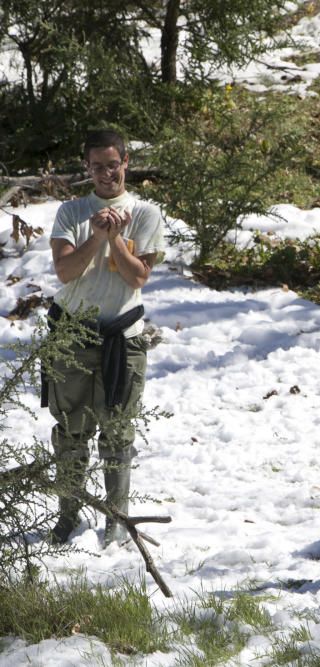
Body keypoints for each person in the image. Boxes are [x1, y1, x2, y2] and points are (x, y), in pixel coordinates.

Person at [46, 129, 166, 546]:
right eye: (97, 166)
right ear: (87, 168)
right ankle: (68, 513)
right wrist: (96, 235)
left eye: (112, 164)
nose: (105, 173)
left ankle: (117, 518)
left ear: (126, 163)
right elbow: (64, 272)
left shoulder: (145, 214)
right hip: (72, 336)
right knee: (70, 431)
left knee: (117, 433)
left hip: (123, 338)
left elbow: (139, 276)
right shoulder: (72, 212)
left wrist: (115, 239)